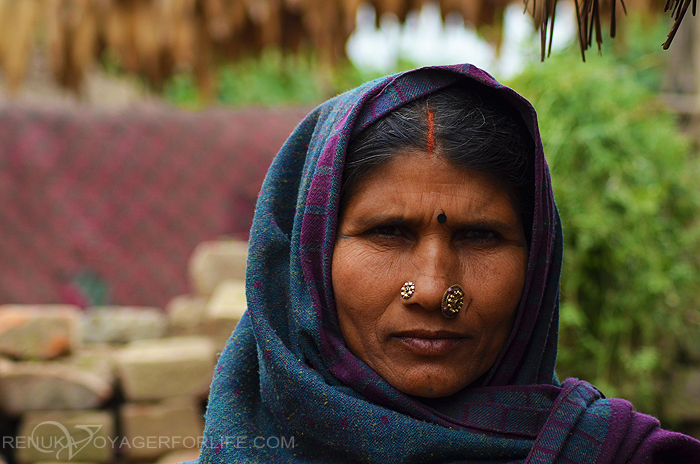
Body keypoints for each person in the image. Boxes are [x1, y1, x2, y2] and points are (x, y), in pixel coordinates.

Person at [194, 64, 700, 463]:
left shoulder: (612, 454)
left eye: (480, 236)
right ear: (311, 259)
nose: (434, 290)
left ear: (538, 262)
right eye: (388, 232)